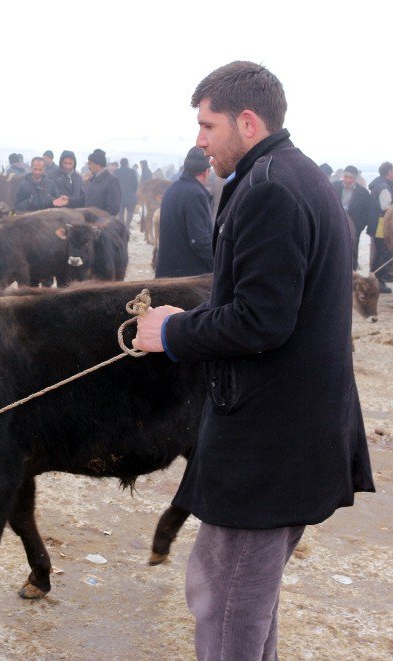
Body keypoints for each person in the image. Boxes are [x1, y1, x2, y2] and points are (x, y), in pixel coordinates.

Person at [133, 61, 374, 661]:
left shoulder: (271, 187)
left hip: (273, 437)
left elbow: (263, 320)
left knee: (226, 597)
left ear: (247, 120)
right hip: (287, 428)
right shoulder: (295, 174)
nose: (199, 140)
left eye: (207, 124)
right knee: (238, 594)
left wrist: (174, 330)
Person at [154, 146, 213, 277]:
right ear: (206, 172)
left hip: (167, 274)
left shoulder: (172, 189)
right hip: (188, 279)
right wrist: (218, 265)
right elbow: (200, 242)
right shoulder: (196, 194)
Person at [333, 165, 373, 270]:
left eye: (350, 178)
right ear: (343, 176)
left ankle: (352, 273)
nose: (347, 180)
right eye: (346, 177)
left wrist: (359, 226)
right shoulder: (333, 187)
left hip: (354, 225)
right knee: (333, 247)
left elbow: (366, 212)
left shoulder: (363, 193)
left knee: (352, 249)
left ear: (355, 179)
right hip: (334, 222)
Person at [367, 161, 393, 290]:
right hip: (381, 225)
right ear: (389, 172)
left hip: (377, 223)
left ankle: (376, 277)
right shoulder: (383, 187)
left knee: (380, 251)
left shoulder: (378, 184)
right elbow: (385, 206)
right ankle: (378, 280)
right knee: (384, 251)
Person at [83, 148, 121, 216]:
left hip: (101, 224)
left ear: (97, 164)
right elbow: (85, 199)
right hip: (90, 223)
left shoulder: (111, 180)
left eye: (90, 164)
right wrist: (69, 201)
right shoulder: (92, 179)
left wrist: (100, 221)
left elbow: (113, 208)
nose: (88, 167)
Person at [114, 157, 139, 226]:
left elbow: (113, 184)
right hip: (130, 196)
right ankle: (127, 226)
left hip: (119, 196)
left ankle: (122, 227)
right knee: (130, 213)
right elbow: (136, 184)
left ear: (120, 164)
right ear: (127, 163)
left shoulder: (116, 172)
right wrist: (133, 192)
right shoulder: (132, 172)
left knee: (121, 214)